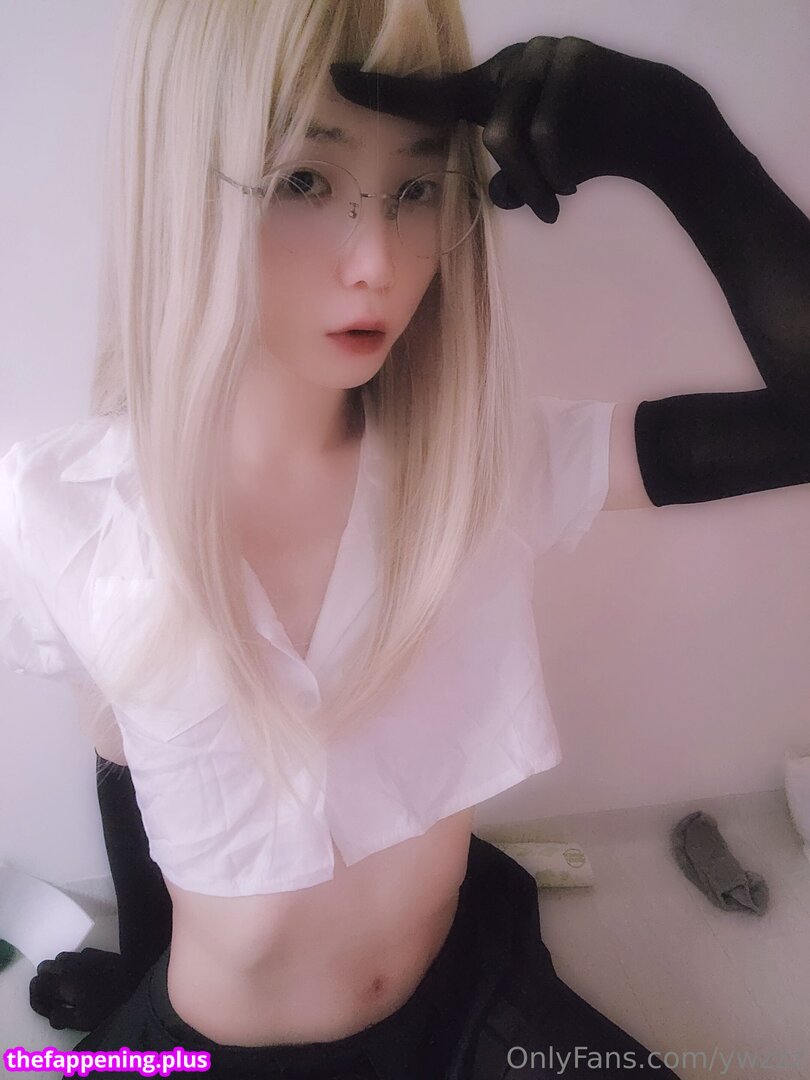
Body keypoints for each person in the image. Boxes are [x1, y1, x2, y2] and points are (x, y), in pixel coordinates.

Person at [6, 0, 809, 1076]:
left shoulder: (481, 469)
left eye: (419, 187)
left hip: (473, 1003)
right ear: (177, 191)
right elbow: (123, 754)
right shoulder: (63, 510)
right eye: (303, 181)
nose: (378, 262)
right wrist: (137, 973)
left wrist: (685, 140)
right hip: (217, 1048)